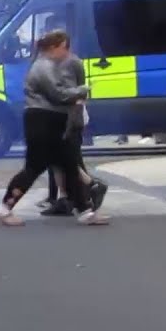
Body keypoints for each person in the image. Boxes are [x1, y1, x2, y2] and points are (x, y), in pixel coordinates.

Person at [0, 30, 106, 227]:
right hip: (43, 121)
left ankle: (86, 211)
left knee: (68, 164)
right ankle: (4, 208)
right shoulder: (43, 67)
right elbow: (58, 94)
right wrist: (84, 89)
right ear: (53, 47)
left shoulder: (47, 65)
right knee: (34, 167)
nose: (66, 52)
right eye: (64, 47)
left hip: (49, 121)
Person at [41, 36, 108, 215]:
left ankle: (89, 189)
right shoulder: (57, 62)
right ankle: (68, 198)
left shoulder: (69, 63)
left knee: (66, 157)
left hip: (66, 117)